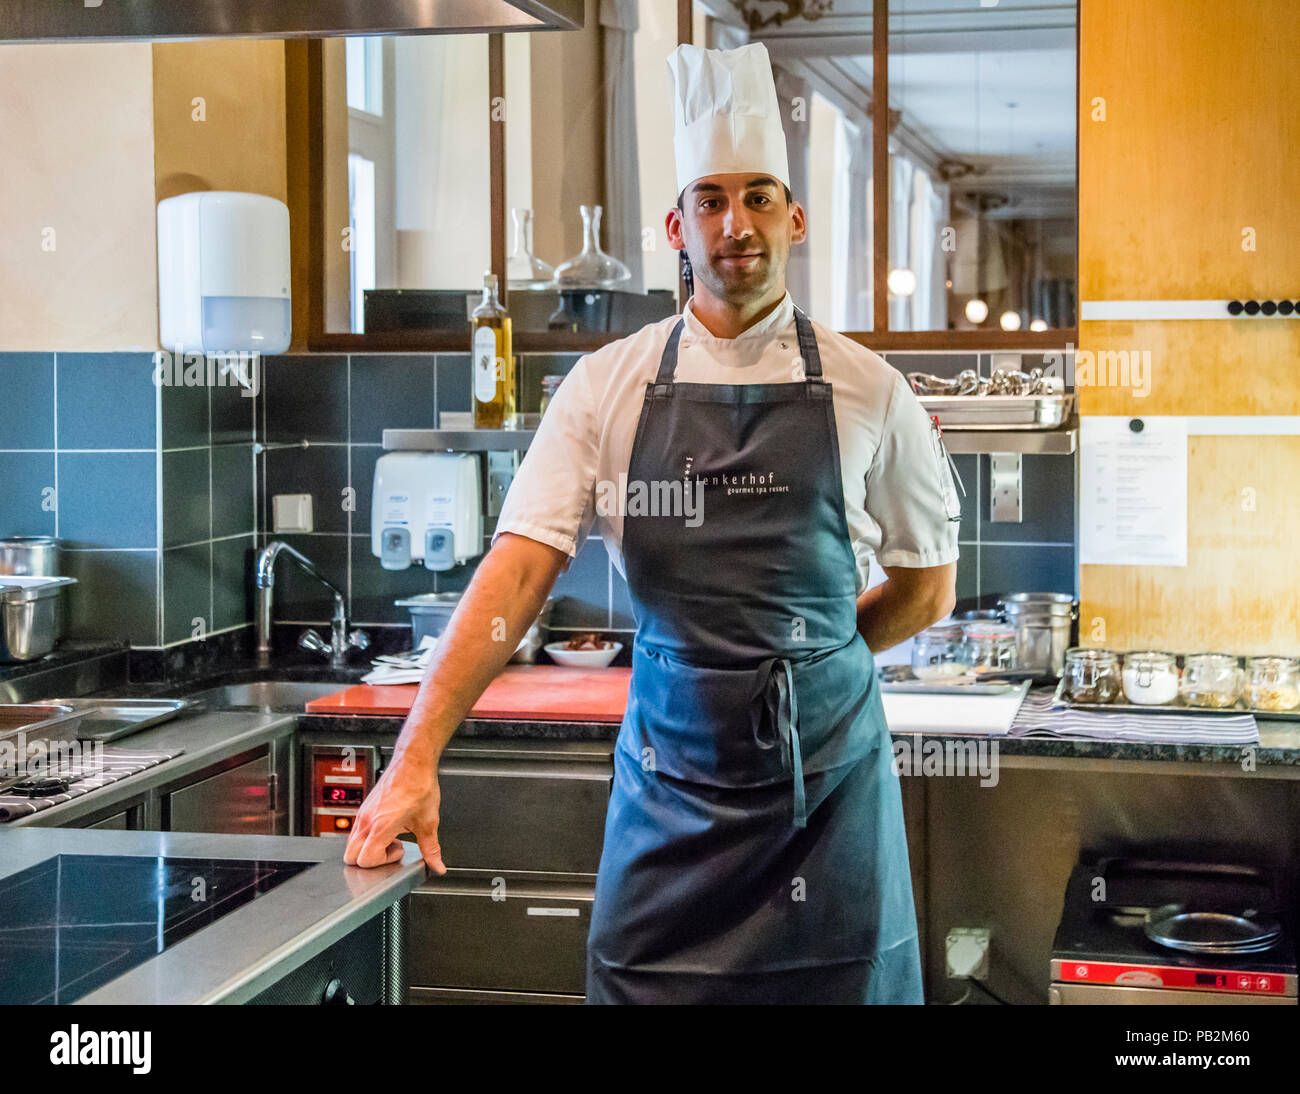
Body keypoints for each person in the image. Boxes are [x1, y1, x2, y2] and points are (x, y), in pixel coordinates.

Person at [345, 41, 960, 1005]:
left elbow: (928, 587)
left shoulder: (868, 389)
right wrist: (414, 756)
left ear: (795, 216)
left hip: (827, 797)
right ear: (678, 225)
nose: (737, 223)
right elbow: (516, 573)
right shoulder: (607, 387)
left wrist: (813, 662)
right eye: (711, 200)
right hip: (672, 791)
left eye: (759, 196)